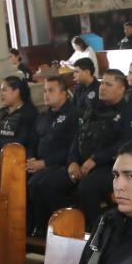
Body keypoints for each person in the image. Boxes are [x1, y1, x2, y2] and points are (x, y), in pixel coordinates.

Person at [32, 69, 132, 229]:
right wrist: (72, 162)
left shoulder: (129, 112)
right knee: (46, 183)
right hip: (83, 165)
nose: (102, 87)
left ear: (121, 89)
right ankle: (64, 229)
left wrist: (95, 159)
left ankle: (96, 233)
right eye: (102, 83)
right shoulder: (93, 109)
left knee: (87, 187)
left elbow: (127, 143)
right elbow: (78, 138)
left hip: (111, 167)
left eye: (108, 84)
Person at [25, 75, 80, 233]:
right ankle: (27, 227)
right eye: (44, 91)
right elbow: (32, 141)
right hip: (39, 164)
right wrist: (31, 159)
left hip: (63, 165)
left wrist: (44, 163)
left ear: (63, 93)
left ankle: (52, 228)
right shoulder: (43, 116)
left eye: (51, 90)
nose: (46, 94)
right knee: (17, 180)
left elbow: (73, 147)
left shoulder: (74, 115)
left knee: (39, 183)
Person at [0, 75, 40, 157]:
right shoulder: (1, 111)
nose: (1, 94)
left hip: (15, 159)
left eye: (4, 90)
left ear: (16, 91)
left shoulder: (29, 113)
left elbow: (20, 140)